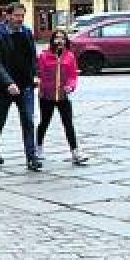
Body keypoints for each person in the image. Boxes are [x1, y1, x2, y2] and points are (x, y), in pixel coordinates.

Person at [0, 1, 42, 171]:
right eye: (16, 15)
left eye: (22, 16)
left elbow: (33, 57)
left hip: (25, 84)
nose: (20, 19)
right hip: (3, 87)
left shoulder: (26, 32)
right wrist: (8, 82)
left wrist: (36, 75)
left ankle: (31, 158)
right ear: (7, 15)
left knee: (28, 120)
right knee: (0, 120)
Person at [35, 29, 89, 165]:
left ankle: (75, 152)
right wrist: (40, 87)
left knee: (68, 124)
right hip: (47, 96)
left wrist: (70, 86)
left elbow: (73, 75)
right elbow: (39, 74)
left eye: (62, 38)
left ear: (66, 41)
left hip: (63, 97)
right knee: (44, 122)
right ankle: (38, 148)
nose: (60, 41)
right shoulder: (44, 56)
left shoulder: (70, 56)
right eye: (57, 38)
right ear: (52, 41)